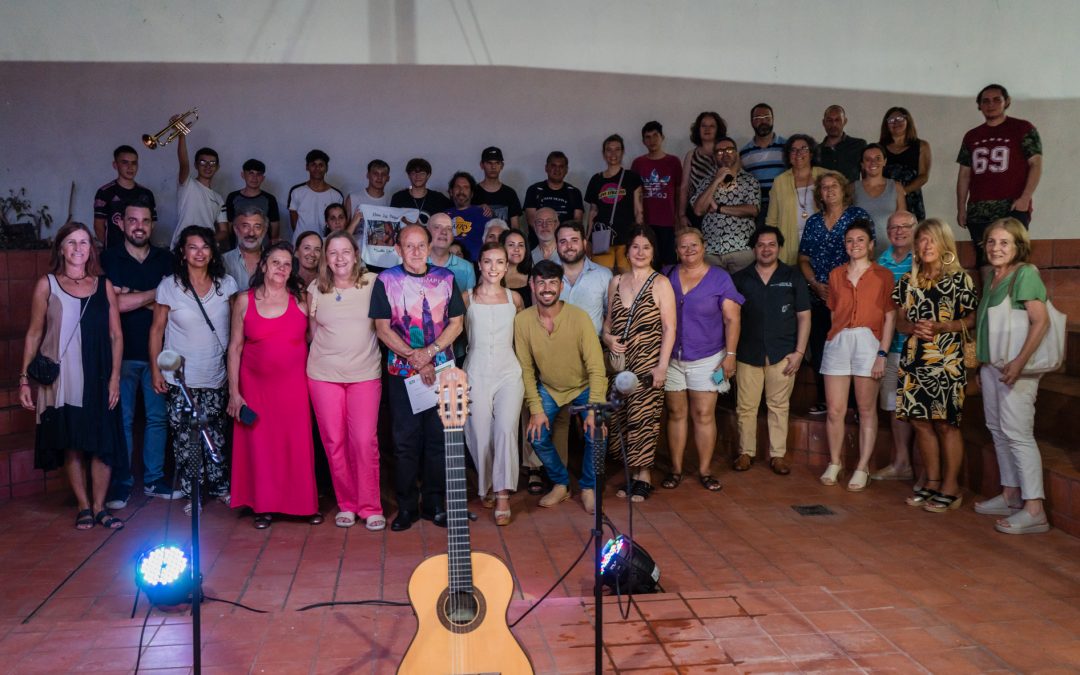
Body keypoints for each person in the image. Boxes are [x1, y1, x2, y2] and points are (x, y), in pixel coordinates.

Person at [18, 222, 125, 530]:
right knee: (72, 442)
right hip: (62, 378)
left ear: (91, 248)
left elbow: (116, 335)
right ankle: (83, 507)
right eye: (71, 243)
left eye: (84, 242)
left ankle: (100, 507)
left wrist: (115, 377)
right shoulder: (47, 284)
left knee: (102, 441)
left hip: (100, 374)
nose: (79, 248)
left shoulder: (103, 285)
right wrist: (24, 378)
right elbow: (34, 332)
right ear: (61, 249)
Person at [370, 224, 465, 531]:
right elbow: (382, 329)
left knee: (438, 440)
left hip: (441, 372)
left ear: (429, 246)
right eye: (408, 246)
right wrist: (415, 356)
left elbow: (457, 324)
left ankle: (435, 504)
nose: (415, 251)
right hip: (402, 374)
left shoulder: (447, 279)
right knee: (405, 442)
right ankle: (408, 507)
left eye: (420, 245)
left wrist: (431, 352)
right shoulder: (386, 280)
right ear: (397, 249)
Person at [228, 242, 319, 528]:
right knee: (261, 447)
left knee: (296, 444)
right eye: (276, 262)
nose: (281, 268)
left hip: (293, 386)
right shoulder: (244, 300)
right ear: (264, 266)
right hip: (255, 387)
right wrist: (234, 392)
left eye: (287, 264)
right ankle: (263, 506)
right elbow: (234, 348)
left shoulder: (302, 298)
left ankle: (304, 505)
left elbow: (316, 339)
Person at [973, 218, 1052, 534]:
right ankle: (1011, 494)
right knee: (998, 429)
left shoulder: (1025, 274)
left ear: (1019, 246)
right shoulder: (994, 276)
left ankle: (1035, 509)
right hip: (994, 366)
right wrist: (982, 364)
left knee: (1018, 434)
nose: (996, 248)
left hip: (1015, 369)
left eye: (1004, 242)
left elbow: (1040, 322)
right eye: (992, 241)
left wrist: (1019, 363)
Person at [149, 226, 236, 512]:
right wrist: (155, 369)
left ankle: (221, 487)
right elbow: (157, 330)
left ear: (212, 253)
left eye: (205, 247)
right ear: (183, 253)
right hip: (181, 380)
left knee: (217, 437)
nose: (199, 252)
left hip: (216, 375)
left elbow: (238, 329)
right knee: (186, 440)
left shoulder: (227, 285)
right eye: (192, 247)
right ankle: (194, 494)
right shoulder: (169, 286)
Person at [893, 219, 976, 512]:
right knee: (920, 422)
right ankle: (931, 481)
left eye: (932, 240)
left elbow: (971, 319)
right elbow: (899, 321)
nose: (926, 246)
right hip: (915, 359)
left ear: (944, 244)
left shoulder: (959, 279)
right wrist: (912, 326)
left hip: (947, 361)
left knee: (945, 424)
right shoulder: (907, 281)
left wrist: (943, 326)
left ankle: (951, 488)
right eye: (921, 240)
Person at [514, 260, 607, 513]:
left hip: (583, 386)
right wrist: (536, 409)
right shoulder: (522, 321)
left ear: (560, 286)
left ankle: (588, 487)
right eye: (541, 282)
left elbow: (597, 367)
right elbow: (526, 369)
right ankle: (561, 484)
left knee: (596, 432)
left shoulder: (579, 318)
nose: (546, 288)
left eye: (553, 282)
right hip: (550, 388)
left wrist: (593, 408)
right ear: (532, 285)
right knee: (536, 434)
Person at [307, 231, 385, 531]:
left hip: (364, 374)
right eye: (333, 253)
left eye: (345, 252)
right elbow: (312, 333)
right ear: (326, 258)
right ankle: (347, 504)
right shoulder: (316, 288)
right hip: (323, 376)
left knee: (364, 441)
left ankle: (370, 505)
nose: (339, 258)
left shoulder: (374, 283)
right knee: (334, 442)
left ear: (356, 254)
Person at [102, 200, 176, 509]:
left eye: (145, 220)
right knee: (123, 420)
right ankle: (121, 483)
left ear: (152, 224)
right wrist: (155, 294)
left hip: (159, 355)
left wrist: (131, 295)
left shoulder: (166, 260)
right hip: (122, 354)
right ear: (121, 223)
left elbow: (173, 304)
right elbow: (113, 305)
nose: (139, 225)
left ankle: (154, 479)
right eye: (133, 220)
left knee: (158, 419)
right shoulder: (109, 258)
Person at [661, 229, 743, 492]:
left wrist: (730, 356)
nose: (688, 250)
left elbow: (732, 319)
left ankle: (705, 471)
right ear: (676, 250)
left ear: (704, 246)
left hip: (709, 358)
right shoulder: (666, 274)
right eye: (683, 246)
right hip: (673, 358)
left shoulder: (720, 278)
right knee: (676, 413)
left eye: (693, 245)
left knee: (704, 414)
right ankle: (675, 469)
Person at [819, 221, 896, 491]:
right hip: (839, 341)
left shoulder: (883, 275)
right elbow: (833, 310)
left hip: (869, 341)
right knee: (835, 409)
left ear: (871, 244)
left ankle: (862, 466)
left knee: (865, 409)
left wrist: (882, 353)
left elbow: (889, 316)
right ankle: (835, 462)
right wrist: (836, 334)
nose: (855, 245)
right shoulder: (836, 274)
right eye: (850, 240)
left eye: (860, 240)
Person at [601, 226, 675, 500]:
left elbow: (670, 328)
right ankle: (631, 474)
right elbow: (607, 324)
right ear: (627, 251)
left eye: (646, 247)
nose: (640, 252)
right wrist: (608, 340)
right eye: (635, 247)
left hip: (647, 361)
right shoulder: (616, 281)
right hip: (620, 365)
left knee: (644, 418)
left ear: (653, 252)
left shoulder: (661, 283)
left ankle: (644, 475)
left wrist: (662, 366)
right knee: (621, 418)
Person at [731, 226, 810, 476]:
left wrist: (799, 352)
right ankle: (746, 453)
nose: (766, 249)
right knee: (746, 406)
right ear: (754, 249)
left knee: (779, 406)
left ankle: (778, 455)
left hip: (783, 353)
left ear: (779, 247)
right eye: (761, 244)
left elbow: (804, 317)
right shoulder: (740, 279)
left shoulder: (793, 276)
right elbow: (730, 318)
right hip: (747, 352)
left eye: (772, 244)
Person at [798, 172, 872, 414]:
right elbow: (803, 259)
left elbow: (865, 251)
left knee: (851, 347)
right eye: (824, 187)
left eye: (834, 186)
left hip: (851, 294)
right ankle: (825, 399)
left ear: (844, 190)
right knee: (821, 347)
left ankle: (854, 404)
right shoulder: (813, 222)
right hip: (819, 295)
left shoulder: (857, 216)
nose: (828, 191)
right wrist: (815, 285)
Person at [463, 242, 526, 525]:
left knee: (504, 430)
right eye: (488, 261)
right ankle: (485, 482)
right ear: (479, 264)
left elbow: (521, 340)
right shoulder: (467, 298)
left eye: (499, 262)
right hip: (475, 370)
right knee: (478, 433)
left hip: (508, 372)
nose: (493, 268)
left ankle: (502, 494)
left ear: (506, 266)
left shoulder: (515, 299)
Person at [956, 84, 1042, 268]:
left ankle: (1015, 297)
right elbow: (964, 174)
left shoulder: (1022, 128)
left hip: (1011, 207)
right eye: (985, 101)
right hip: (979, 210)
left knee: (1014, 259)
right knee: (985, 261)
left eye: (997, 100)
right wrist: (961, 208)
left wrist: (1025, 198)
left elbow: (1036, 164)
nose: (991, 104)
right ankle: (990, 297)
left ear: (1007, 102)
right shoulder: (971, 136)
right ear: (979, 105)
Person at [870, 212, 918, 484]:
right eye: (893, 227)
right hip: (889, 346)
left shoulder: (923, 259)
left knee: (917, 408)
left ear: (915, 229)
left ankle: (929, 472)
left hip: (919, 347)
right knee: (892, 405)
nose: (899, 231)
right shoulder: (881, 262)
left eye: (904, 227)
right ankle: (901, 462)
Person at [691, 136, 761, 273]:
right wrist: (716, 181)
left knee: (743, 293)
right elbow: (698, 210)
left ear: (737, 153)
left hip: (741, 249)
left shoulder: (749, 181)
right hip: (711, 252)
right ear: (714, 158)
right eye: (720, 152)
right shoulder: (706, 183)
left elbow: (752, 209)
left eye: (729, 150)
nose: (725, 154)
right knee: (712, 294)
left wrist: (719, 208)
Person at [585, 134, 644, 272]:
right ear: (604, 153)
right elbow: (593, 211)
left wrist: (640, 234)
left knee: (629, 277)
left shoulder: (632, 178)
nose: (613, 153)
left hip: (627, 237)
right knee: (603, 279)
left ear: (623, 152)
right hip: (602, 238)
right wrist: (587, 238)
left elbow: (638, 210)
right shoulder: (596, 179)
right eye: (609, 150)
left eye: (617, 149)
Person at [766, 134, 826, 265]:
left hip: (821, 244)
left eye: (804, 148)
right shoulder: (779, 181)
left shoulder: (825, 176)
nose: (798, 153)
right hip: (788, 245)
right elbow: (772, 221)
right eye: (793, 150)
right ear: (788, 155)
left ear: (811, 154)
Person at [631, 121, 682, 265]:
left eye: (655, 136)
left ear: (662, 137)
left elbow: (678, 191)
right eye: (648, 137)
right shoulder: (638, 163)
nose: (652, 140)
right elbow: (635, 194)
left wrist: (678, 217)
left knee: (669, 262)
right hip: (646, 223)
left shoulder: (673, 161)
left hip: (668, 221)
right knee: (648, 261)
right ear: (643, 141)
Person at [94, 145, 157, 250]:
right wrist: (110, 249)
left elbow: (151, 225)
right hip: (114, 252)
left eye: (134, 163)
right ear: (115, 165)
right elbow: (98, 226)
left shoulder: (146, 193)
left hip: (140, 252)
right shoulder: (105, 192)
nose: (130, 167)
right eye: (125, 162)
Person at [170, 132, 226, 247]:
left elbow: (224, 231)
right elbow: (184, 163)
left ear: (217, 167)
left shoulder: (219, 199)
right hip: (182, 246)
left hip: (207, 250)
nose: (208, 166)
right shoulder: (187, 184)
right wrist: (181, 135)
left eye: (212, 163)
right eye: (202, 162)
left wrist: (206, 241)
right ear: (195, 165)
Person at [558, 220, 612, 335]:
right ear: (556, 245)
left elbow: (611, 315)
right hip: (554, 347)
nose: (569, 246)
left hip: (594, 347)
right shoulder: (546, 275)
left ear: (584, 243)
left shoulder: (604, 275)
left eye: (574, 240)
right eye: (563, 241)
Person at [880, 107, 931, 221]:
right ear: (886, 124)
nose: (896, 122)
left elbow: (923, 176)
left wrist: (902, 192)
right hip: (885, 201)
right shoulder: (879, 148)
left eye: (900, 118)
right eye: (891, 120)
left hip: (912, 200)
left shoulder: (922, 146)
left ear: (908, 121)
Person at [740, 103, 787, 226]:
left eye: (767, 117)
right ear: (751, 122)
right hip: (758, 210)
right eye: (757, 119)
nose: (763, 122)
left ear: (773, 119)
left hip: (784, 206)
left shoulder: (787, 147)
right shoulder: (743, 153)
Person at [679, 111, 726, 230]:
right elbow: (684, 187)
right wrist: (681, 214)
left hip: (720, 210)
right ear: (698, 129)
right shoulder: (691, 155)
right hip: (695, 211)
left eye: (712, 126)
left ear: (718, 129)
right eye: (703, 125)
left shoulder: (727, 153)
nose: (707, 129)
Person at [854, 144, 906, 251]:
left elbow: (903, 222)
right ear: (862, 164)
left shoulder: (896, 187)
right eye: (868, 159)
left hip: (890, 252)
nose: (873, 162)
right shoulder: (852, 188)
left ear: (884, 161)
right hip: (861, 252)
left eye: (878, 158)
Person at [288, 149, 344, 245]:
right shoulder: (296, 191)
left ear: (326, 168)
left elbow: (338, 223)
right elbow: (294, 223)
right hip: (300, 244)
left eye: (321, 165)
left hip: (325, 244)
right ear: (307, 167)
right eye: (313, 164)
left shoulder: (336, 195)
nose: (317, 168)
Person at [523, 151, 584, 231]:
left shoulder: (574, 193)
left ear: (566, 170)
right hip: (540, 241)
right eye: (553, 166)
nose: (557, 169)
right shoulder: (534, 190)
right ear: (546, 168)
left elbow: (577, 221)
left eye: (561, 166)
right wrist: (548, 237)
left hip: (564, 241)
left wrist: (561, 236)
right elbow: (532, 220)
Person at [224, 159, 281, 244]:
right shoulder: (233, 197)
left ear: (263, 178)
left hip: (262, 249)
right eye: (251, 173)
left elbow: (274, 227)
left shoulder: (269, 199)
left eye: (258, 174)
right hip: (239, 248)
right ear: (243, 175)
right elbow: (229, 226)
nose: (254, 178)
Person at [390, 157, 453, 225]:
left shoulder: (439, 198)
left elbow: (456, 212)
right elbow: (391, 222)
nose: (418, 176)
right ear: (409, 175)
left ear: (428, 175)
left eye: (422, 173)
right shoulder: (398, 198)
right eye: (414, 173)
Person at [472, 147, 523, 231]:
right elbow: (465, 217)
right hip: (480, 242)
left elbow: (515, 227)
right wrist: (476, 209)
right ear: (482, 165)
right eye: (489, 163)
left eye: (497, 163)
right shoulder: (473, 192)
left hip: (504, 242)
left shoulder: (510, 193)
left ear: (502, 166)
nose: (493, 167)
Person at [814, 105, 867, 183]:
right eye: (829, 120)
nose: (833, 124)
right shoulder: (816, 151)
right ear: (823, 122)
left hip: (852, 194)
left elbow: (867, 176)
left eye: (837, 120)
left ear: (845, 121)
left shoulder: (859, 145)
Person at [221, 205, 268, 292]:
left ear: (264, 231)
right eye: (245, 226)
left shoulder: (275, 262)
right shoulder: (222, 261)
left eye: (257, 227)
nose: (251, 233)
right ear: (236, 229)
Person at [427, 212, 476, 292]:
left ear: (453, 236)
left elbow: (469, 303)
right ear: (427, 232)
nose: (444, 232)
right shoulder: (414, 264)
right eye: (437, 227)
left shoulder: (467, 268)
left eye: (449, 228)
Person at [500, 228, 532, 307]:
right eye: (511, 245)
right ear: (502, 247)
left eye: (521, 245)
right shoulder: (492, 275)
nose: (517, 249)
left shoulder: (534, 276)